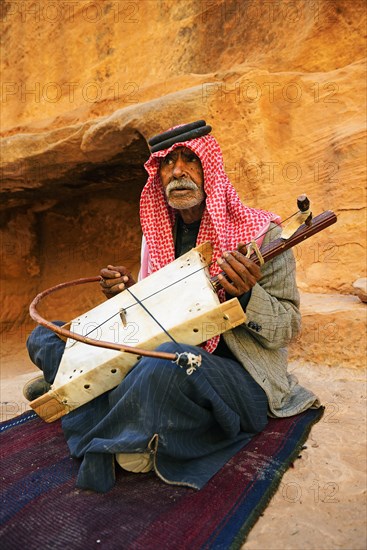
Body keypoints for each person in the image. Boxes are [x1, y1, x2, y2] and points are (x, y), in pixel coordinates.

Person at [25, 120, 319, 493]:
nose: (177, 171)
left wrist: (246, 296)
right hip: (157, 354)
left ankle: (90, 407)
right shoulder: (158, 235)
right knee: (47, 336)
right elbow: (159, 316)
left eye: (189, 160)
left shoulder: (264, 235)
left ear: (210, 168)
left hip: (233, 376)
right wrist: (126, 296)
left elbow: (288, 327)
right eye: (168, 163)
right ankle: (108, 404)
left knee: (166, 365)